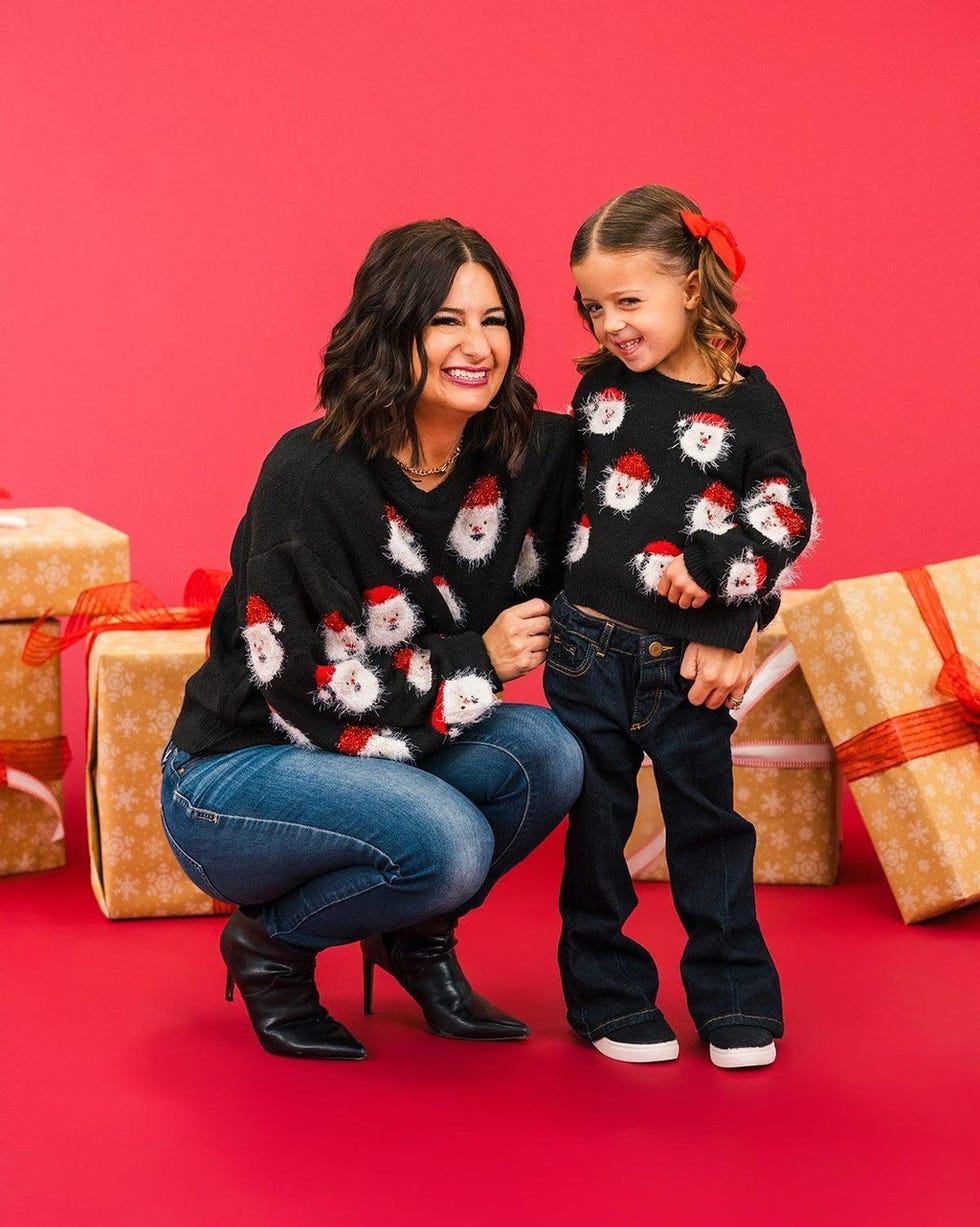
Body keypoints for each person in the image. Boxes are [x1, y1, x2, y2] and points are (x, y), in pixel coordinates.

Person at [160, 219, 584, 1061]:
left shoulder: (523, 447)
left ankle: (410, 938)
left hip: (385, 754)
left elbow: (647, 490)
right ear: (393, 331)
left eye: (494, 320)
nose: (478, 345)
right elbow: (306, 687)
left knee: (546, 754)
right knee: (450, 843)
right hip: (240, 774)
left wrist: (726, 628)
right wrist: (480, 659)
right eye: (446, 320)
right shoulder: (310, 473)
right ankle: (271, 950)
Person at [544, 185, 814, 1069]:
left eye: (629, 300)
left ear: (691, 286)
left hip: (686, 668)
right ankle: (608, 997)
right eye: (593, 305)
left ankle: (735, 999)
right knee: (595, 834)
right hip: (585, 650)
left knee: (709, 832)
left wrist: (727, 610)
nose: (610, 323)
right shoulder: (596, 396)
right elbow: (557, 512)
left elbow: (784, 519)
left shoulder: (751, 403)